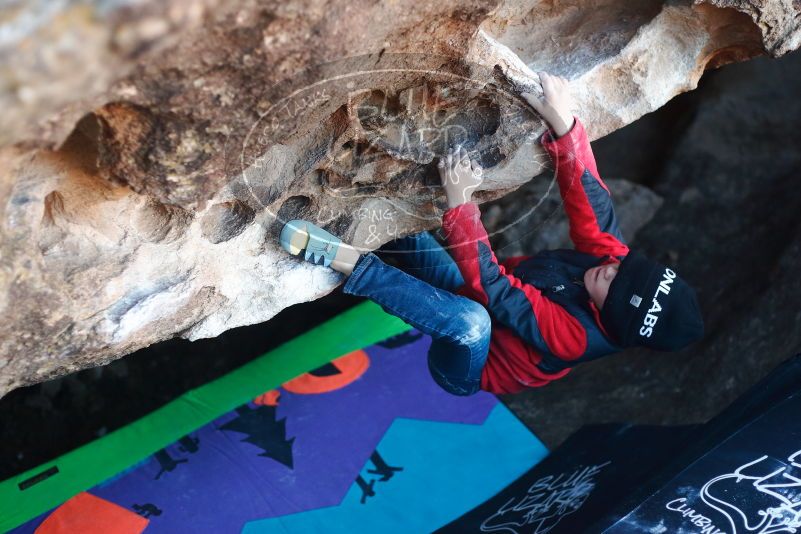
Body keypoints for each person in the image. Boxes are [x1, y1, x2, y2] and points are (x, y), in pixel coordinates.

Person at [279, 71, 704, 396]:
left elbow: (494, 288)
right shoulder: (610, 265)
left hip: (467, 362)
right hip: (471, 293)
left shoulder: (576, 339)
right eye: (628, 268)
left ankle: (347, 262)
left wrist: (462, 202)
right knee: (404, 232)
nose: (614, 269)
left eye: (619, 288)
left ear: (613, 319)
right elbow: (592, 204)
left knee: (470, 321)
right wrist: (565, 127)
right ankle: (350, 193)